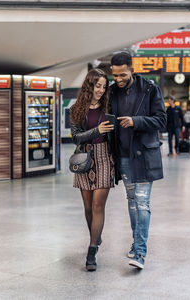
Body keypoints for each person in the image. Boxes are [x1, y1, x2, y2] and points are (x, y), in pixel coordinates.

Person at [109, 52, 166, 269]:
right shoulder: (112, 91)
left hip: (143, 156)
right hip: (122, 156)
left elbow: (161, 120)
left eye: (122, 74)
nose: (119, 79)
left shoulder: (150, 89)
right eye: (115, 76)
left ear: (132, 70)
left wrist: (135, 121)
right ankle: (136, 244)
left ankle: (140, 253)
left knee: (142, 204)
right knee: (132, 204)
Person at [70, 68, 115, 272]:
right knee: (88, 207)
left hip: (105, 157)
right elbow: (76, 137)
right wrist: (97, 130)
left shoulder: (109, 105)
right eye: (98, 86)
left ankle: (92, 249)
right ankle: (95, 237)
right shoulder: (77, 109)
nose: (101, 90)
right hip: (84, 158)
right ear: (89, 85)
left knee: (98, 206)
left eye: (104, 87)